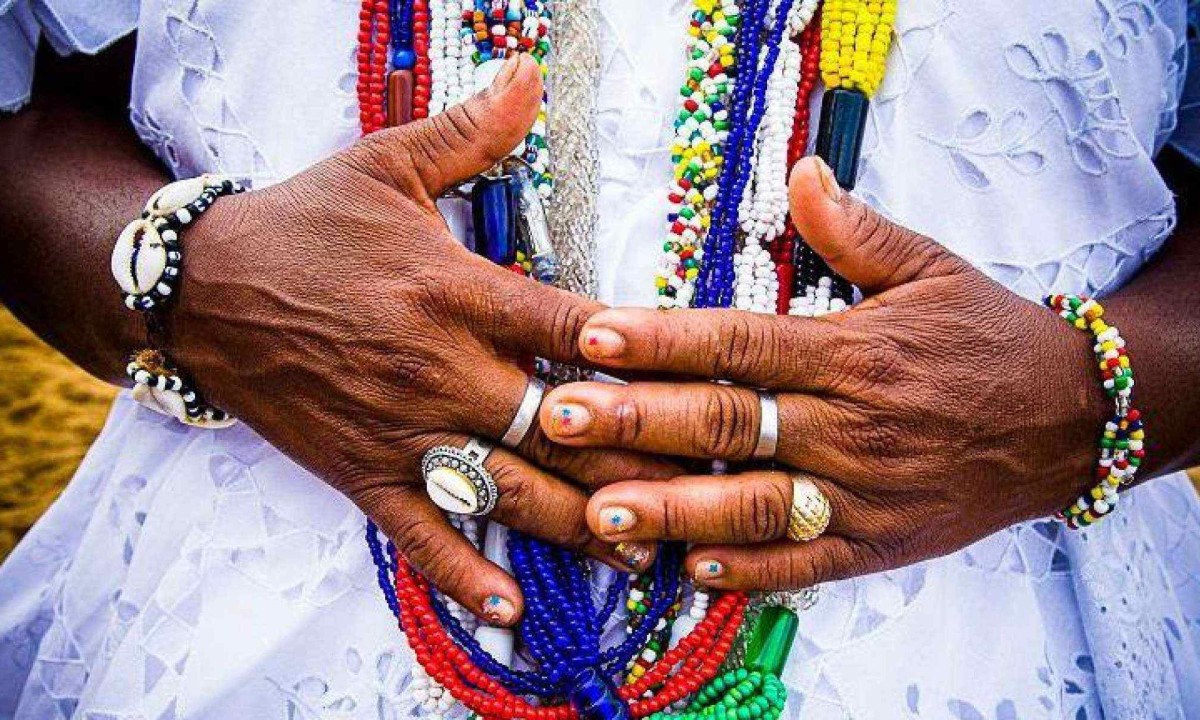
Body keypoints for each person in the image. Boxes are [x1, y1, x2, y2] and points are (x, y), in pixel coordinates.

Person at [1, 0, 1198, 717]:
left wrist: (1086, 398)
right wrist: (191, 278)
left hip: (991, 625)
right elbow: (29, 85)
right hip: (242, 627)